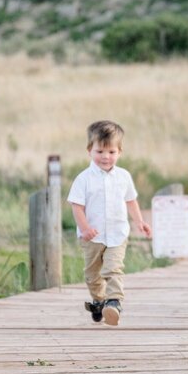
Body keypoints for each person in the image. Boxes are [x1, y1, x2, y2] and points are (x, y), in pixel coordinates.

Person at [67, 120, 151, 326]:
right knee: (93, 275)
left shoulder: (123, 177)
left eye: (111, 152)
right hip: (92, 237)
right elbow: (76, 206)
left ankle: (114, 302)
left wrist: (139, 221)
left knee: (113, 269)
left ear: (119, 152)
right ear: (90, 150)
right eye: (100, 151)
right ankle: (98, 301)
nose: (106, 157)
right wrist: (85, 228)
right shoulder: (84, 179)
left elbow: (130, 200)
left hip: (117, 234)